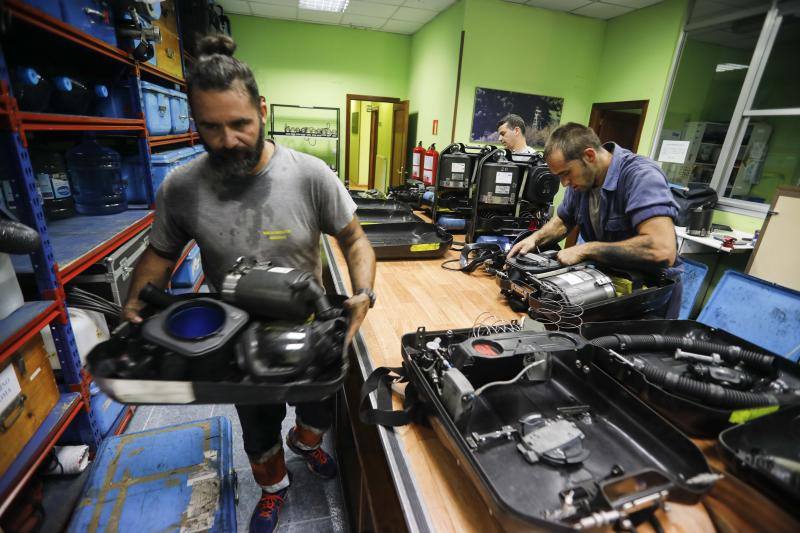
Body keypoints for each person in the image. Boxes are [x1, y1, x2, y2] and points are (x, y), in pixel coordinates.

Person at [121, 35, 376, 532]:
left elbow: (355, 239)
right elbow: (159, 253)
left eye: (240, 124)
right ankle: (274, 486)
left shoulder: (310, 175)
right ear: (195, 123)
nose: (229, 140)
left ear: (262, 110)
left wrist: (364, 294)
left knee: (316, 416)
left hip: (310, 330)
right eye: (212, 128)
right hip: (234, 338)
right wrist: (134, 300)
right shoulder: (182, 187)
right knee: (258, 434)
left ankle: (306, 443)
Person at [508, 122, 682, 318]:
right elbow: (563, 221)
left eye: (566, 173)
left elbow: (662, 249)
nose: (565, 184)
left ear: (589, 156)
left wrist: (586, 249)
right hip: (609, 285)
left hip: (647, 298)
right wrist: (534, 239)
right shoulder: (581, 183)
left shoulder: (640, 176)